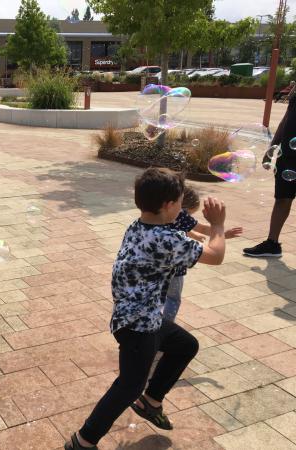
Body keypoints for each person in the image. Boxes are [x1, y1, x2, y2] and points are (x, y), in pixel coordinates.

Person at [65, 168, 226, 450]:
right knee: (128, 386)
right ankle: (83, 441)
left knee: (185, 345)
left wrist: (200, 224)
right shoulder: (167, 240)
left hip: (140, 314)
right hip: (138, 325)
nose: (183, 208)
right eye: (179, 201)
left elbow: (182, 222)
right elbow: (216, 256)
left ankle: (150, 401)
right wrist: (218, 226)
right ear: (167, 205)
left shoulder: (141, 223)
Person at [164, 185, 243, 321]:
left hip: (156, 270)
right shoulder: (181, 216)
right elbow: (215, 255)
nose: (187, 217)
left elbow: (184, 227)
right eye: (188, 214)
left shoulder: (155, 218)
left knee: (159, 296)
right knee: (172, 299)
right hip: (175, 271)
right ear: (180, 206)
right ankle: (165, 326)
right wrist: (219, 227)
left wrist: (194, 234)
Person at [244, 84, 296, 258]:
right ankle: (272, 244)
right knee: (282, 198)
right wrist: (272, 146)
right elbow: (286, 119)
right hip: (288, 156)